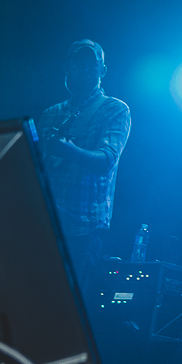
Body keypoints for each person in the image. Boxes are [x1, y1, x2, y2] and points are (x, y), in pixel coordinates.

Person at [35, 40, 131, 285]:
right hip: (45, 226)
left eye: (92, 64)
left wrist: (68, 150)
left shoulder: (114, 110)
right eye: (79, 63)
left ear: (103, 71)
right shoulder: (50, 114)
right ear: (67, 67)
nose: (85, 69)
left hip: (83, 232)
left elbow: (106, 160)